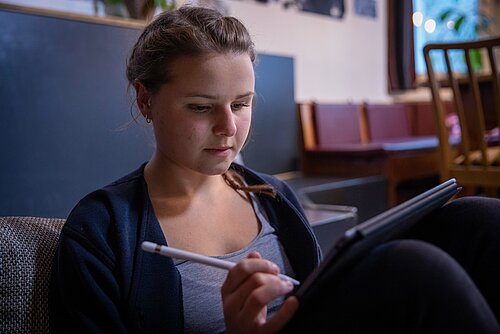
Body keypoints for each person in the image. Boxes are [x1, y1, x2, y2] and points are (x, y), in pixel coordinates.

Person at [49, 5, 500, 333]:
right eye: (202, 107)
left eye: (241, 104)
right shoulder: (102, 231)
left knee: (476, 219)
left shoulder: (269, 195)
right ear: (146, 100)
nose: (228, 127)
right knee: (414, 268)